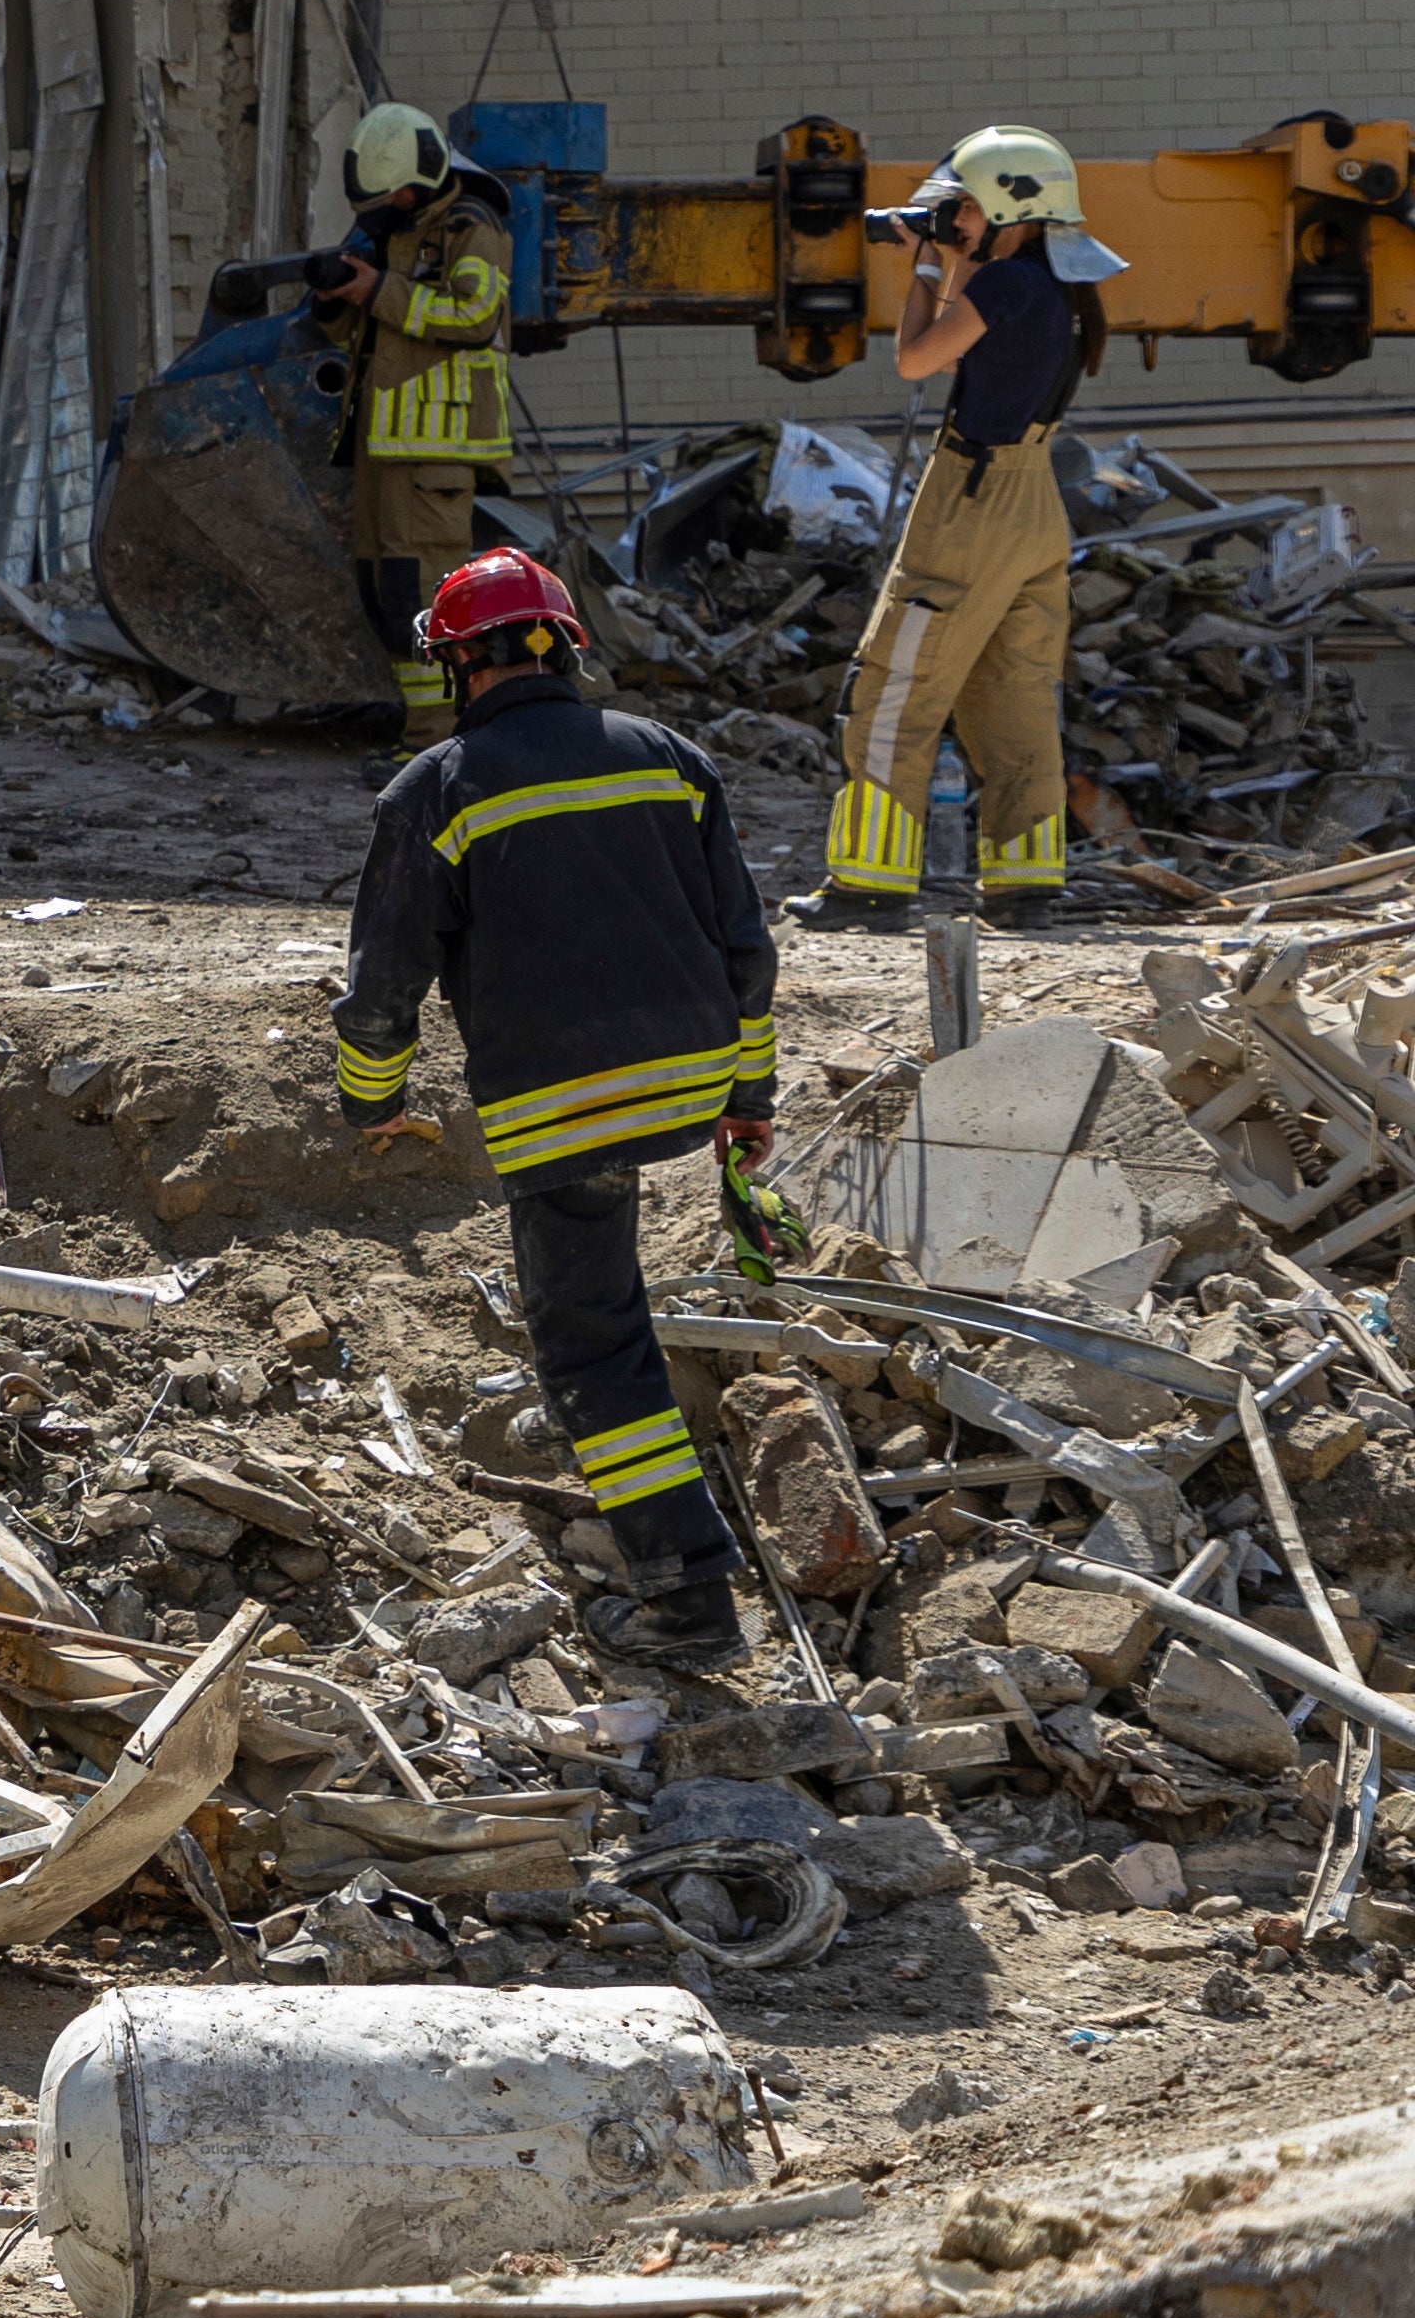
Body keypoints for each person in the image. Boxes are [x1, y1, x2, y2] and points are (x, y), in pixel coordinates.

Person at [333, 547, 786, 1670]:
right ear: (566, 647)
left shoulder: (435, 788)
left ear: (457, 666)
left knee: (596, 1349)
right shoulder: (670, 758)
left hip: (564, 1099)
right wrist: (748, 1098)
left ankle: (688, 1599)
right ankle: (591, 1438)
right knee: (603, 1300)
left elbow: (383, 981)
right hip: (689, 1071)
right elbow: (745, 944)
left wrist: (371, 1104)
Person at [809, 124, 1114, 930]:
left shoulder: (1005, 286)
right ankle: (1026, 887)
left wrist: (923, 265)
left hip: (972, 499)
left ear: (1010, 206)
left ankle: (868, 885)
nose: (954, 220)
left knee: (895, 686)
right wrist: (955, 260)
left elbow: (916, 360)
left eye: (963, 208)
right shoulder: (1055, 287)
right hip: (1035, 503)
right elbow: (962, 355)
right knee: (1011, 695)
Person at [315, 102, 518, 751]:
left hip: (437, 447)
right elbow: (373, 334)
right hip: (386, 444)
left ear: (422, 180)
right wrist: (338, 301)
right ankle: (422, 731)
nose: (385, 205)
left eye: (394, 193)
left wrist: (379, 290)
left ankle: (440, 742)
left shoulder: (469, 227)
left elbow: (477, 315)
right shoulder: (396, 236)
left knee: (426, 596)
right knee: (385, 594)